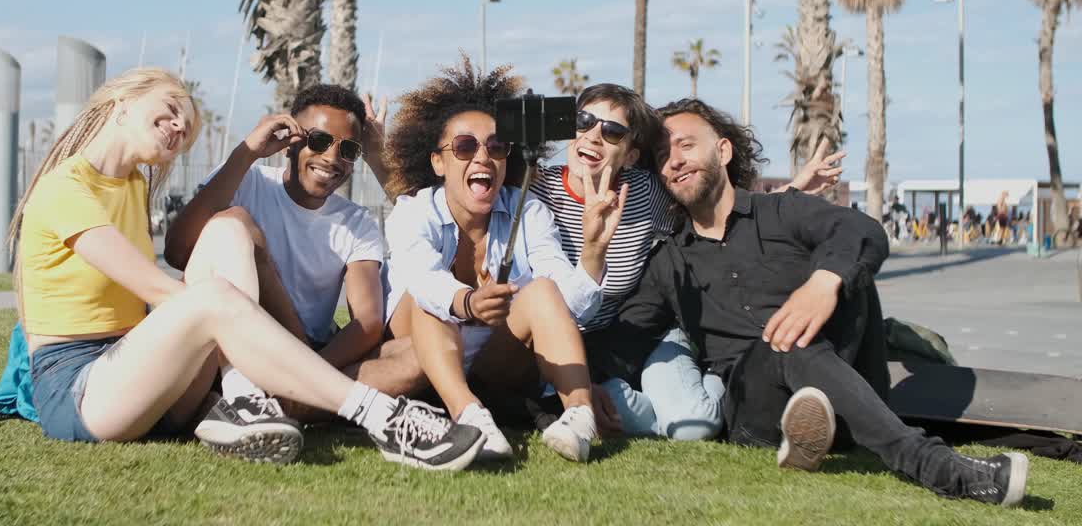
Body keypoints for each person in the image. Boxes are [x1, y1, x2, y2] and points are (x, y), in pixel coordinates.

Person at [11, 68, 484, 470]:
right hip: (82, 390)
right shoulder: (63, 189)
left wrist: (278, 356)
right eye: (171, 109)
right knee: (223, 258)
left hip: (154, 379)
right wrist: (257, 340)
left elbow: (369, 312)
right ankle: (380, 417)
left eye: (186, 122)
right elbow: (157, 284)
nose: (179, 126)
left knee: (227, 235)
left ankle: (246, 397)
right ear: (120, 102)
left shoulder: (132, 184)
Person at [606, 98, 1029, 507]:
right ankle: (936, 466)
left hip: (844, 378)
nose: (674, 160)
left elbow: (863, 231)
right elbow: (624, 341)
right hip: (758, 412)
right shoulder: (670, 262)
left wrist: (823, 283)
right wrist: (565, 392)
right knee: (784, 343)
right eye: (662, 155)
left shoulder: (784, 211)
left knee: (849, 271)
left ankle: (822, 429)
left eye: (685, 145)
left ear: (723, 149)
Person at [522, 84, 843, 441]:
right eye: (584, 121)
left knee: (695, 425)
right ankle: (677, 408)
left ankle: (724, 381)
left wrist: (792, 189)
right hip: (578, 359)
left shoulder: (645, 193)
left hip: (644, 339)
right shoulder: (534, 191)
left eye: (613, 131)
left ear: (630, 155)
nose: (594, 136)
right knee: (689, 425)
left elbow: (714, 208)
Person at [379, 58, 604, 463]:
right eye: (465, 146)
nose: (482, 156)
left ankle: (580, 416)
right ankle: (470, 416)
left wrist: (592, 255)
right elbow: (423, 278)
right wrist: (467, 301)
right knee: (432, 300)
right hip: (421, 355)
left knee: (543, 290)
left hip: (497, 363)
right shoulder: (412, 212)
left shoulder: (528, 210)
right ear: (437, 161)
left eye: (496, 146)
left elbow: (562, 303)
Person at [164, 85, 425, 421]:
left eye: (347, 149)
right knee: (237, 225)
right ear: (290, 142)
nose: (331, 158)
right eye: (318, 141)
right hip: (231, 349)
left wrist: (308, 373)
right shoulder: (246, 180)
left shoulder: (356, 222)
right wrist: (247, 153)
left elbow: (369, 322)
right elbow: (176, 251)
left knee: (421, 355)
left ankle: (290, 400)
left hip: (309, 353)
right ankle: (290, 397)